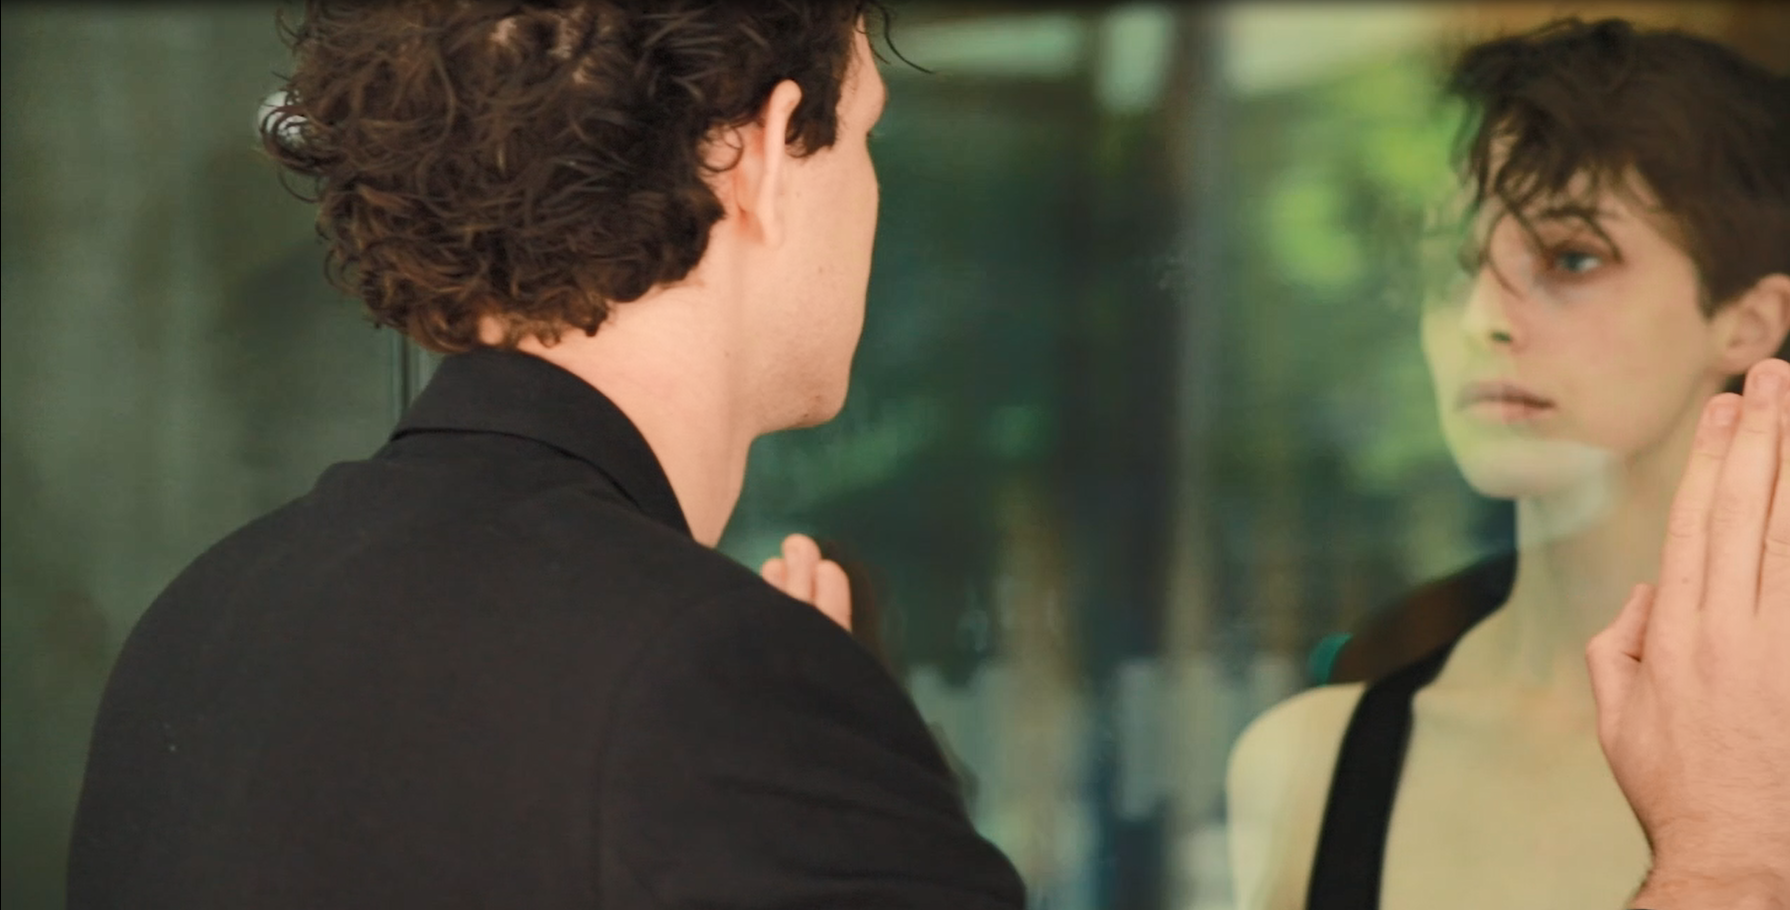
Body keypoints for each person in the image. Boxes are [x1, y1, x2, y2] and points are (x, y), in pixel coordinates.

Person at [64, 2, 1024, 907]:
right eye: (865, 135)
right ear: (756, 154)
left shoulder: (202, 625)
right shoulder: (716, 684)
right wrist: (828, 767)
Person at [1223, 17, 1790, 910]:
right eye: (1448, 267)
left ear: (1748, 320)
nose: (1483, 316)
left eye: (1572, 257)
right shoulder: (1308, 764)